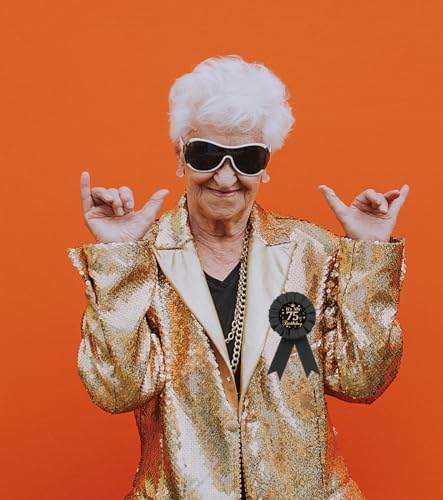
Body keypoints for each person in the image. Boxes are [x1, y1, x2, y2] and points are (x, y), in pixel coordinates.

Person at [67, 54, 409, 499]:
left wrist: (370, 256)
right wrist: (118, 259)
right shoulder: (140, 259)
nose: (226, 177)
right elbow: (116, 390)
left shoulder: (312, 252)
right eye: (206, 154)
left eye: (246, 158)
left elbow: (363, 380)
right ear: (180, 155)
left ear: (266, 164)